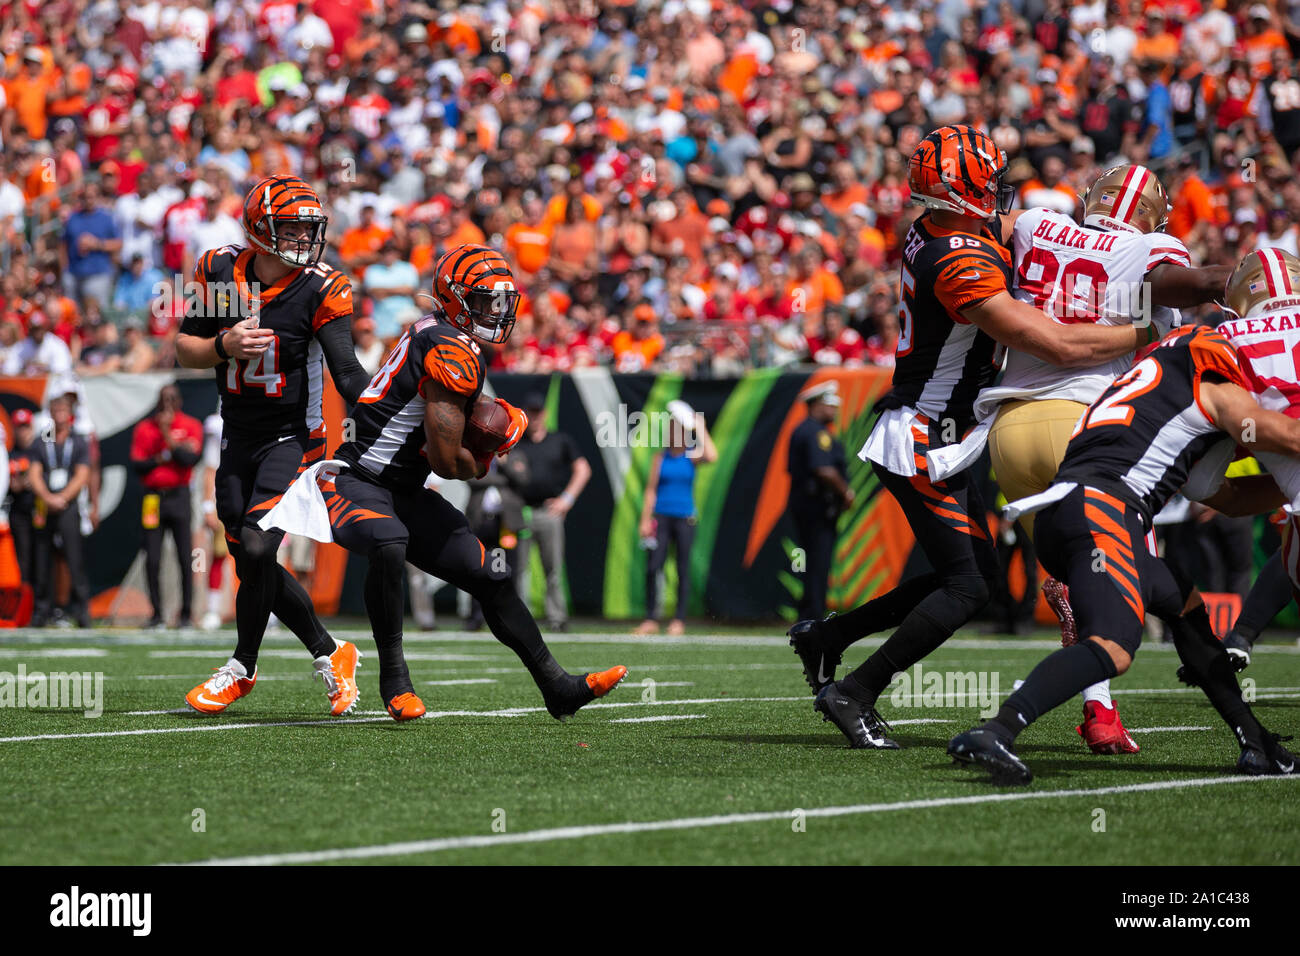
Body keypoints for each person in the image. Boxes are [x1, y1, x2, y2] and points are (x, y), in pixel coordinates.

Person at [786, 126, 1154, 749]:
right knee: (970, 585)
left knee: (971, 572)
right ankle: (855, 689)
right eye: (986, 179)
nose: (998, 190)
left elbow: (1019, 237)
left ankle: (829, 638)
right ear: (959, 191)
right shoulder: (955, 258)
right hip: (925, 435)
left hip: (945, 430)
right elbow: (1054, 343)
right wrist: (1144, 332)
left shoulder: (949, 230)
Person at [261, 244, 626, 720]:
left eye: (499, 302)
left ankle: (557, 686)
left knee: (490, 575)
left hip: (403, 490)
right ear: (454, 299)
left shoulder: (448, 337)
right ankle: (394, 680)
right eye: (484, 301)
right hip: (357, 480)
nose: (495, 312)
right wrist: (489, 453)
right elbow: (447, 461)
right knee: (389, 541)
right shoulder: (449, 347)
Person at [943, 163, 1233, 753]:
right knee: (1135, 590)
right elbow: (1198, 282)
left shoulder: (1035, 223)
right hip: (1089, 433)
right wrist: (1252, 289)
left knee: (1083, 583)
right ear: (1153, 215)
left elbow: (971, 233)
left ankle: (1099, 711)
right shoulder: (1150, 248)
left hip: (1008, 434)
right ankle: (1243, 729)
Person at [949, 324, 1300, 782]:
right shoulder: (1213, 381)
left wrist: (1280, 487)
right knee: (1115, 647)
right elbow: (1278, 432)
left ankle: (1256, 745)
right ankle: (997, 731)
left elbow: (1226, 497)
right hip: (1104, 510)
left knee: (1186, 610)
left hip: (1074, 510)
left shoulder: (1157, 381)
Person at [174, 174, 372, 716]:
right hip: (238, 436)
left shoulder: (322, 287)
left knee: (260, 549)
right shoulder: (218, 268)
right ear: (260, 229)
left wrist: (404, 404)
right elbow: (184, 349)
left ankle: (241, 666)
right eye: (292, 228)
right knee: (247, 558)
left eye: (310, 228)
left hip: (295, 440)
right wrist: (223, 343)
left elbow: (349, 375)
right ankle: (332, 653)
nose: (304, 239)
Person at [501, 392, 592, 631]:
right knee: (518, 569)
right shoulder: (517, 441)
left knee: (552, 567)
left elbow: (583, 469)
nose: (535, 417)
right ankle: (521, 618)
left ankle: (557, 617)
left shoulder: (559, 440)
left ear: (545, 413)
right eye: (531, 412)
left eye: (538, 412)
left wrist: (567, 499)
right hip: (521, 511)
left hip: (548, 511)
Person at [636, 400, 717, 635]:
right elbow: (651, 490)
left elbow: (712, 455)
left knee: (682, 568)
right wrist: (644, 519)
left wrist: (699, 426)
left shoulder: (691, 456)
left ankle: (679, 620)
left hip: (685, 518)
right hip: (660, 517)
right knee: (653, 567)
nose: (674, 434)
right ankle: (650, 618)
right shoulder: (659, 458)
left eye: (679, 429)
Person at [130, 385, 203, 628]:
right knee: (152, 557)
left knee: (185, 557)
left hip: (179, 496)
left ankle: (185, 613)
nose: (168, 404)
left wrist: (168, 437)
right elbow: (139, 464)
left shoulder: (190, 425)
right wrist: (164, 456)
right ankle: (157, 613)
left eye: (172, 399)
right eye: (164, 399)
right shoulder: (144, 427)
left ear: (179, 401)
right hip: (153, 498)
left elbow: (188, 460)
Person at [784, 382, 853, 625]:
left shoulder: (807, 430)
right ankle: (812, 616)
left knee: (813, 562)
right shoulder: (815, 433)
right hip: (816, 507)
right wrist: (846, 493)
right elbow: (824, 470)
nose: (833, 410)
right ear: (816, 405)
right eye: (829, 405)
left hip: (809, 506)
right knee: (818, 562)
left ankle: (810, 613)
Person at [27, 394, 91, 628]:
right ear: (51, 414)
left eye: (64, 410)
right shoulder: (42, 440)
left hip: (68, 504)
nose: (60, 415)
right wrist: (47, 497)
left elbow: (82, 474)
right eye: (56, 411)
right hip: (46, 503)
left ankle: (81, 610)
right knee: (42, 557)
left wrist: (63, 497)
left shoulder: (78, 440)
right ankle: (41, 610)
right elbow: (34, 473)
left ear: (70, 413)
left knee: (74, 558)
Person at [7, 409, 36, 585]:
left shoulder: (39, 451)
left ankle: (43, 606)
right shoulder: (9, 454)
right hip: (19, 513)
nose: (23, 432)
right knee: (23, 559)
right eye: (19, 428)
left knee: (42, 559)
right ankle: (25, 604)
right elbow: (10, 484)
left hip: (39, 511)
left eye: (26, 427)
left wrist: (33, 480)